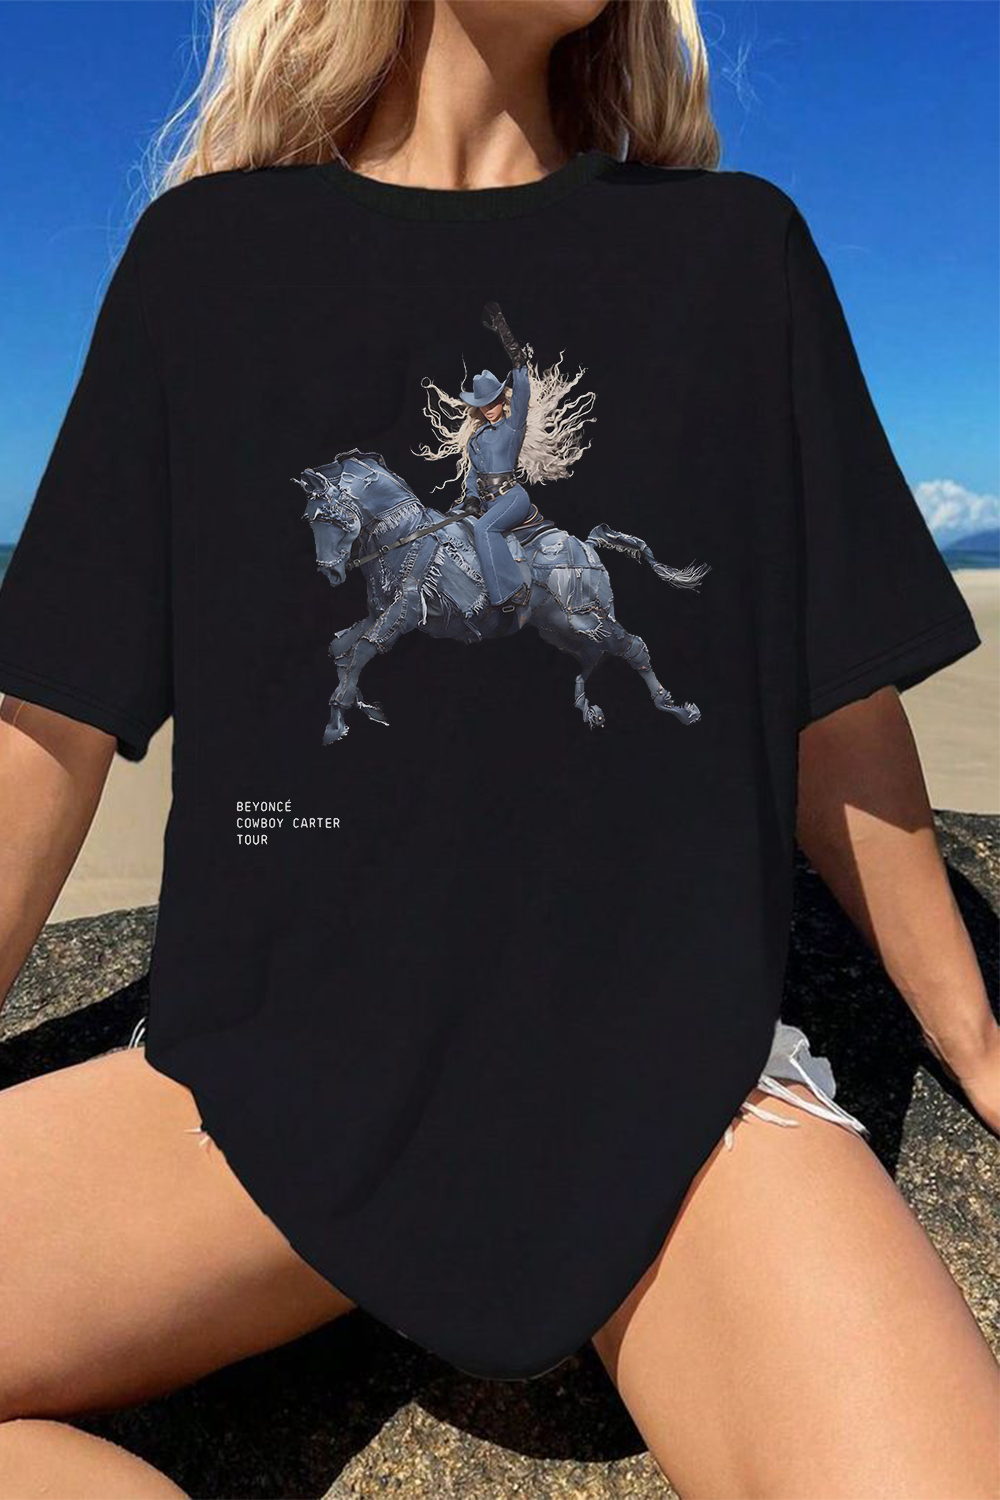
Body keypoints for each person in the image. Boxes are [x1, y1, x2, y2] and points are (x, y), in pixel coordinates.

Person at [0, 3, 997, 1498]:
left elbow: (833, 702)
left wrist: (978, 1041)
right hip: (262, 1082)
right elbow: (50, 727)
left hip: (674, 1090)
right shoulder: (204, 261)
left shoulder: (732, 254)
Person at [461, 302, 533, 609]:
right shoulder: (476, 438)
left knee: (483, 528)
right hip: (487, 501)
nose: (489, 409)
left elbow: (523, 389)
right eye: (484, 405)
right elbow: (473, 473)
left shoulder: (512, 426)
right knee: (451, 524)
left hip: (512, 498)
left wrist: (509, 342)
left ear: (502, 400)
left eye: (493, 402)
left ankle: (512, 591)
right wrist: (470, 497)